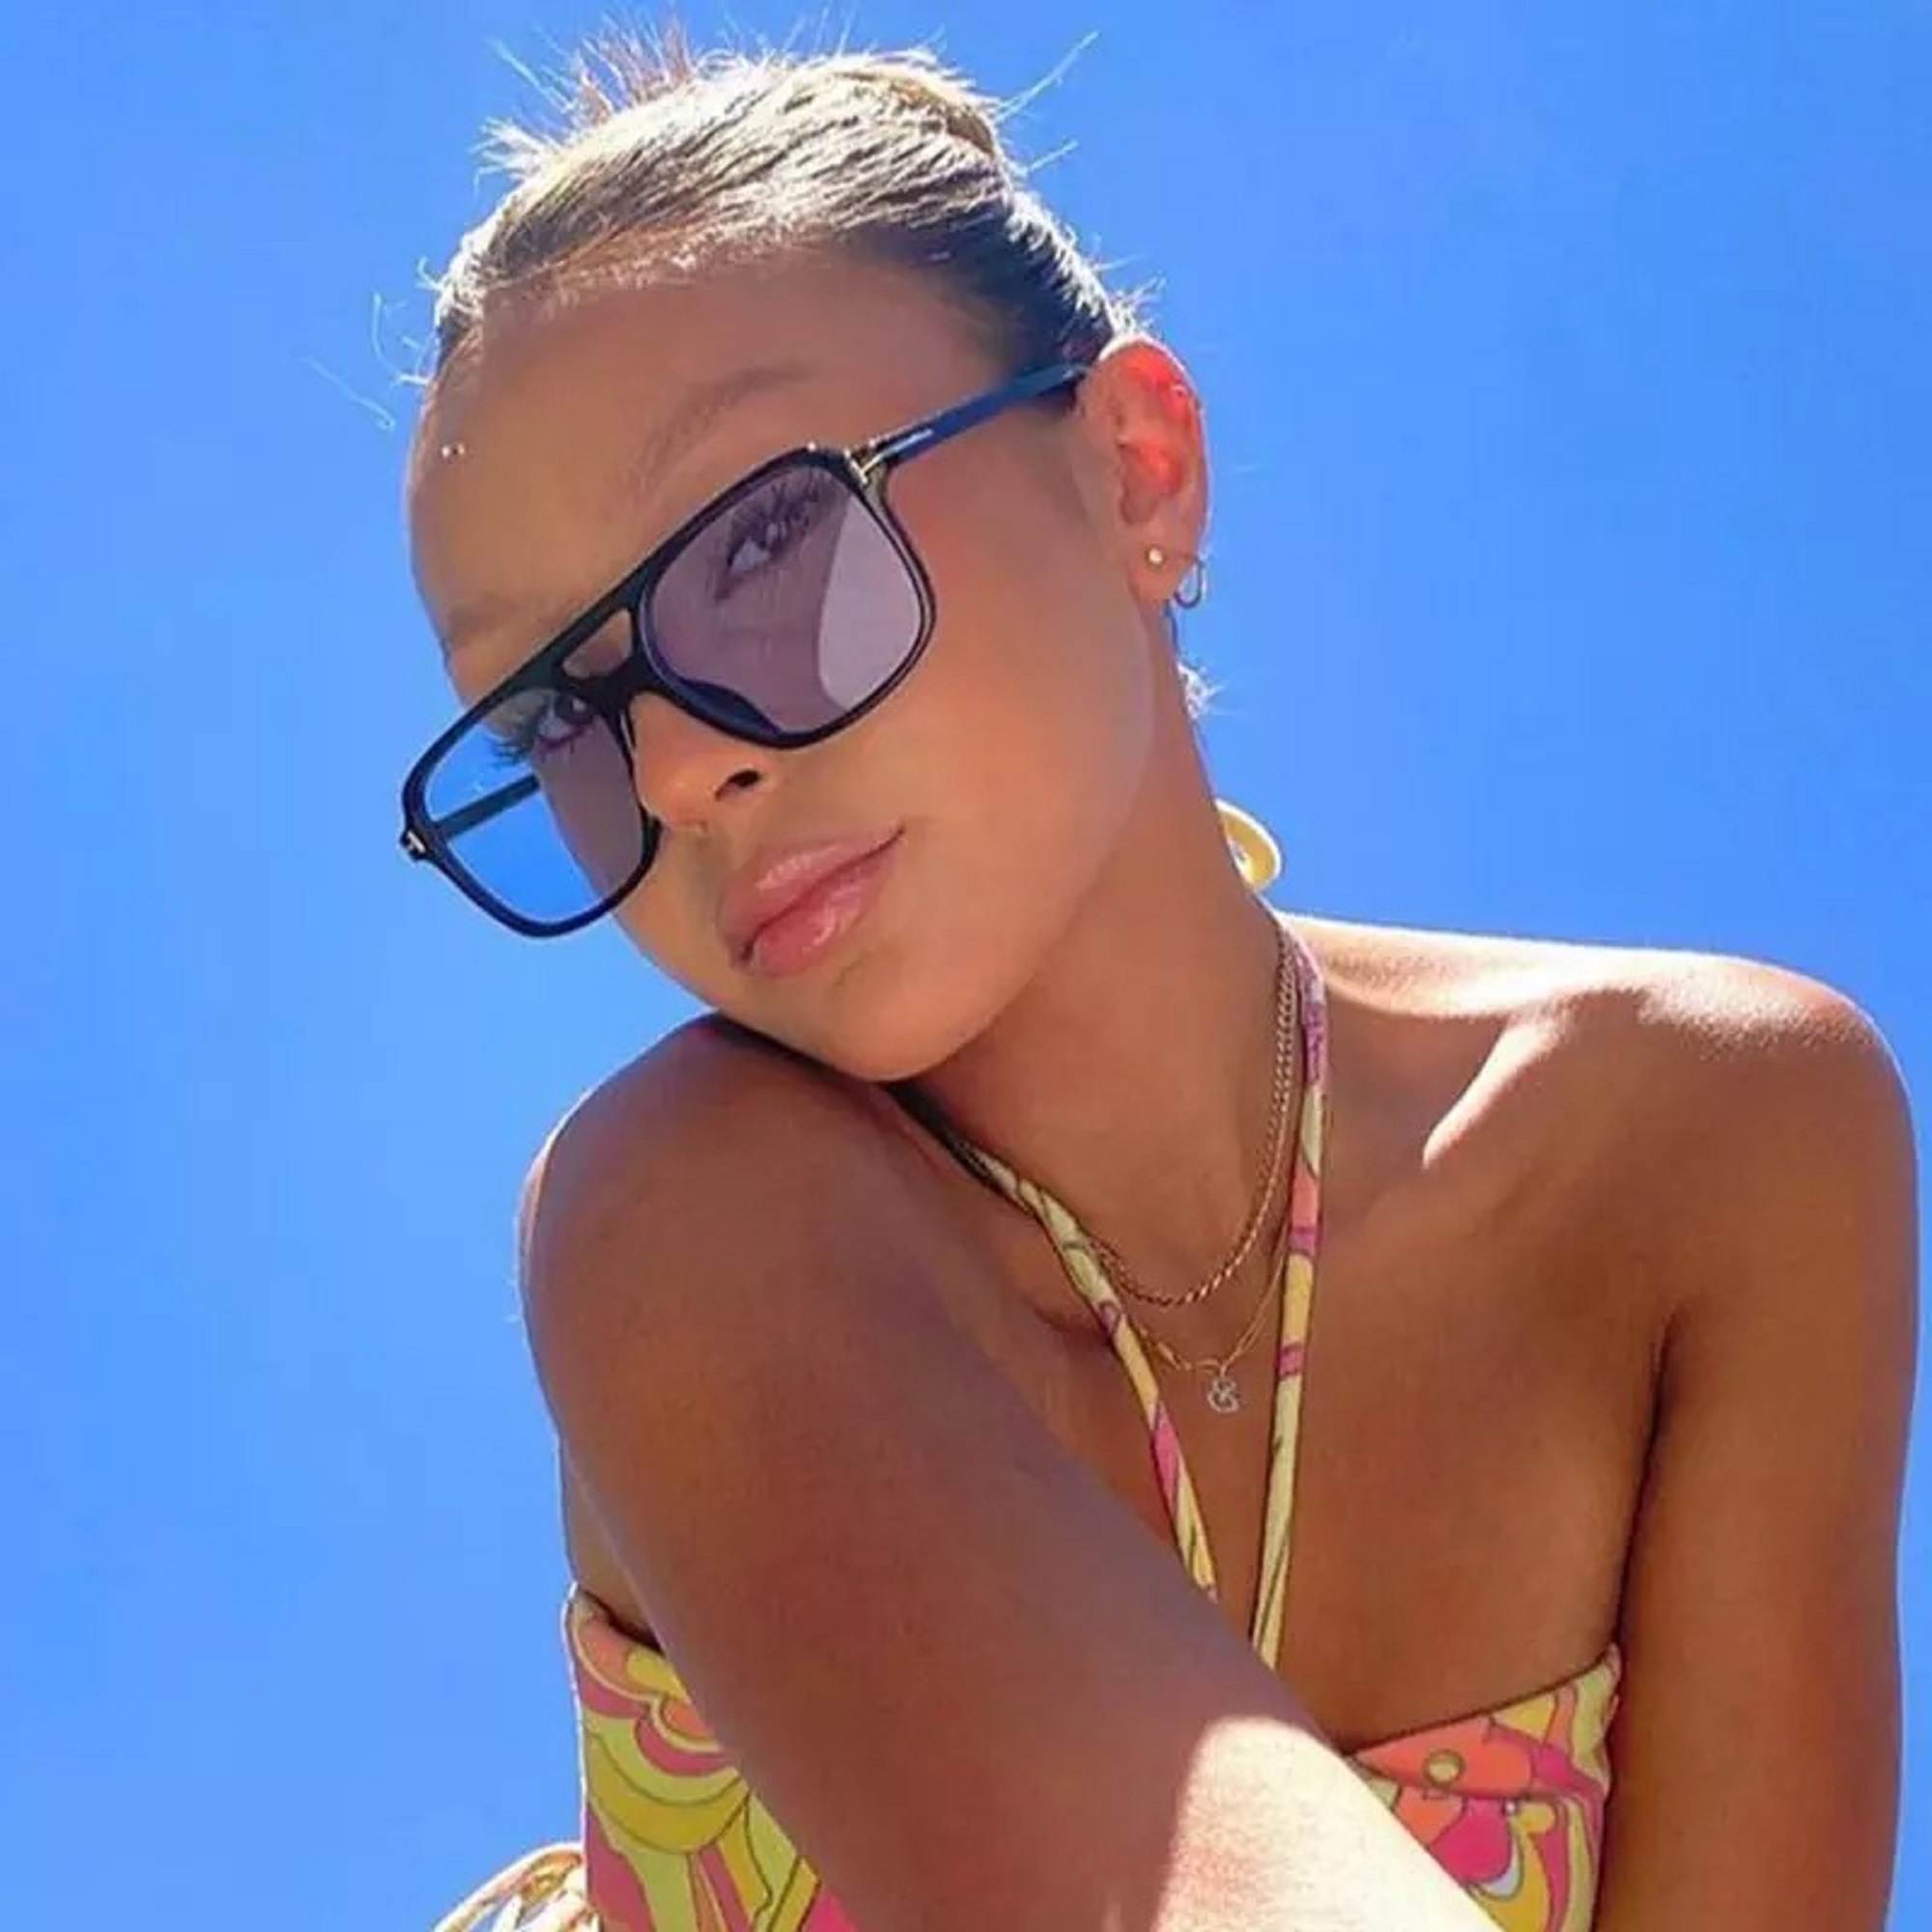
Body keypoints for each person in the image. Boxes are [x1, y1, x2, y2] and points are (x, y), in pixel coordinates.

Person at [399, 30, 1918, 1932]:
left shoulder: (1719, 1153)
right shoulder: (684, 1220)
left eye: (767, 542)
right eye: (556, 717)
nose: (677, 765)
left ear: (1138, 467)